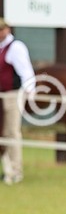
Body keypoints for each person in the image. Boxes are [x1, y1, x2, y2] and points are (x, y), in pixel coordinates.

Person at [0, 18, 36, 185]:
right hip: (2, 94)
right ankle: (7, 169)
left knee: (11, 132)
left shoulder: (15, 47)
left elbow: (25, 70)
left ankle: (16, 170)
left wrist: (31, 91)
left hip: (12, 94)